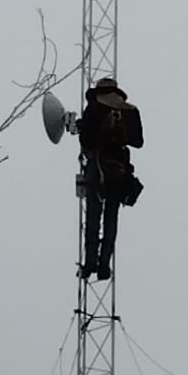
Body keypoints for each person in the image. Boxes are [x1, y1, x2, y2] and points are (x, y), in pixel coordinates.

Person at [78, 76, 144, 281]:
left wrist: (83, 127)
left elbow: (86, 140)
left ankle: (90, 263)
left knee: (93, 217)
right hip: (119, 171)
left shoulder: (94, 108)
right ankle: (104, 266)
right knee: (111, 219)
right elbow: (138, 142)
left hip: (97, 170)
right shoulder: (130, 111)